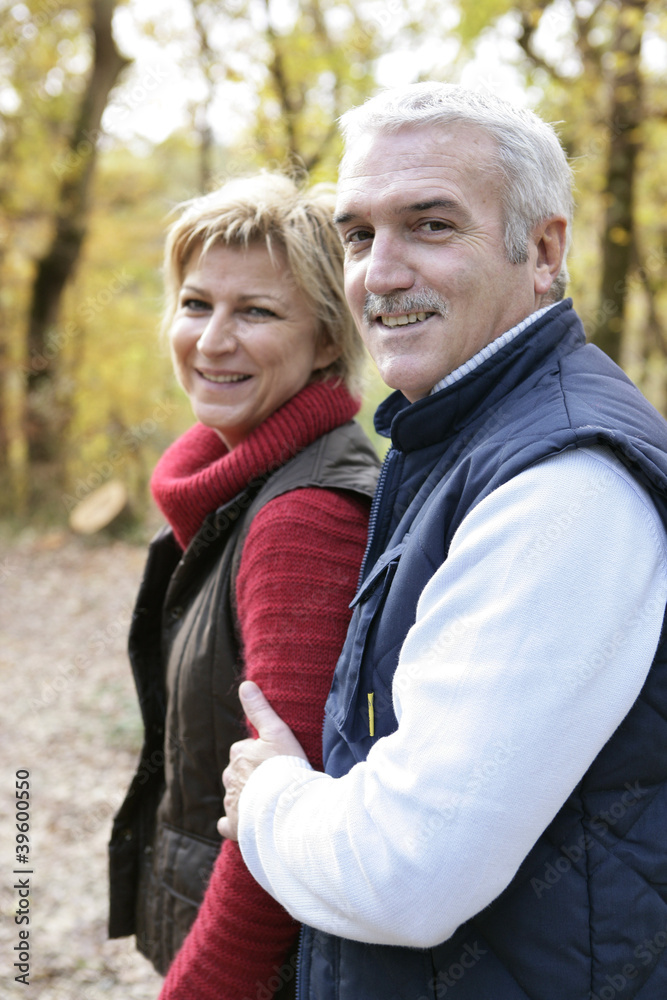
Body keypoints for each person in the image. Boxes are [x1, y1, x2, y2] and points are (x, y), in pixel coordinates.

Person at [219, 84, 667, 999]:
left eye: (428, 225)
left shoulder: (562, 486)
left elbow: (405, 874)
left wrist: (267, 798)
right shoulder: (463, 435)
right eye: (356, 235)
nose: (378, 274)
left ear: (542, 252)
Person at [107, 172, 380, 997]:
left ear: (328, 339)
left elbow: (282, 814)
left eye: (255, 312)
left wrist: (197, 987)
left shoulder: (303, 516)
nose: (213, 341)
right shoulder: (233, 485)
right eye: (196, 304)